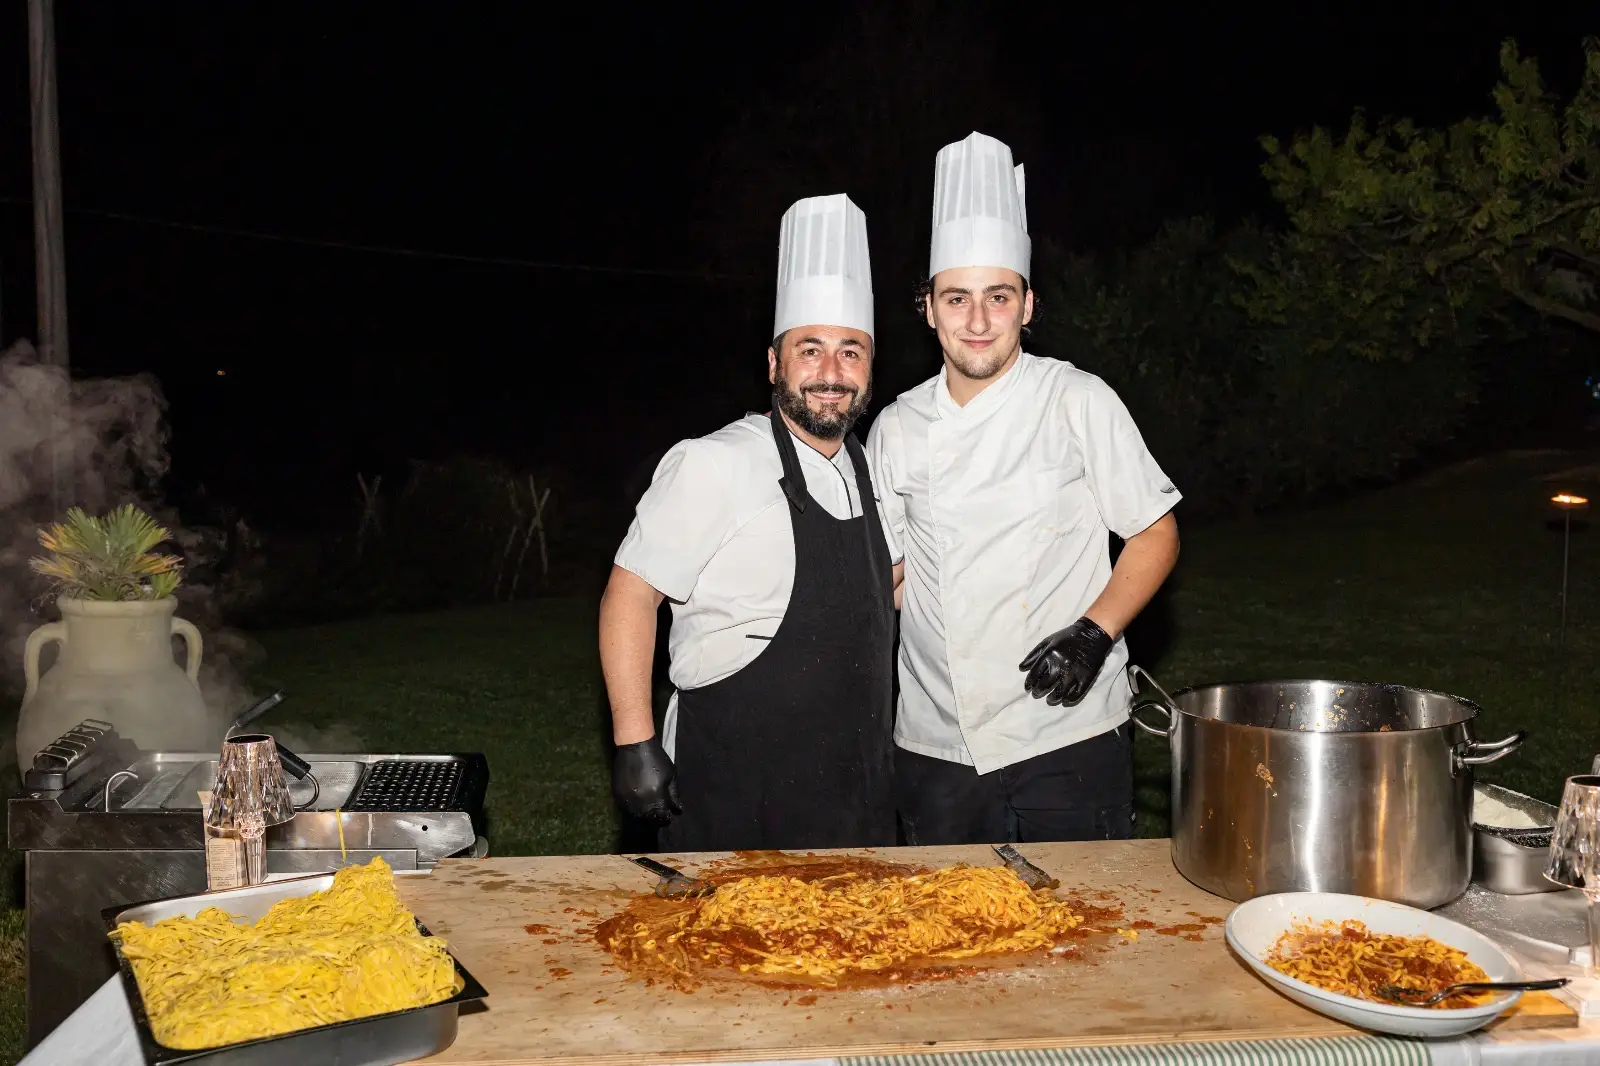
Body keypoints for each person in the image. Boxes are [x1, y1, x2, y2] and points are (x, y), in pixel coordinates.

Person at [866, 132, 1181, 845]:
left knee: (1082, 933)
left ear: (1027, 305)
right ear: (928, 309)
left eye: (997, 297)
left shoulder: (1077, 398)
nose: (977, 320)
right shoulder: (897, 427)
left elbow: (1155, 532)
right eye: (957, 299)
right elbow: (887, 576)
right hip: (935, 742)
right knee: (945, 945)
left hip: (1066, 731)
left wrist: (1096, 634)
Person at [600, 193, 900, 852]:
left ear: (871, 366)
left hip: (855, 797)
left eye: (850, 352)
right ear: (773, 363)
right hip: (733, 793)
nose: (830, 373)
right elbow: (631, 593)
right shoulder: (716, 462)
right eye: (809, 350)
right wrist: (634, 741)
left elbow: (884, 588)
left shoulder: (868, 466)